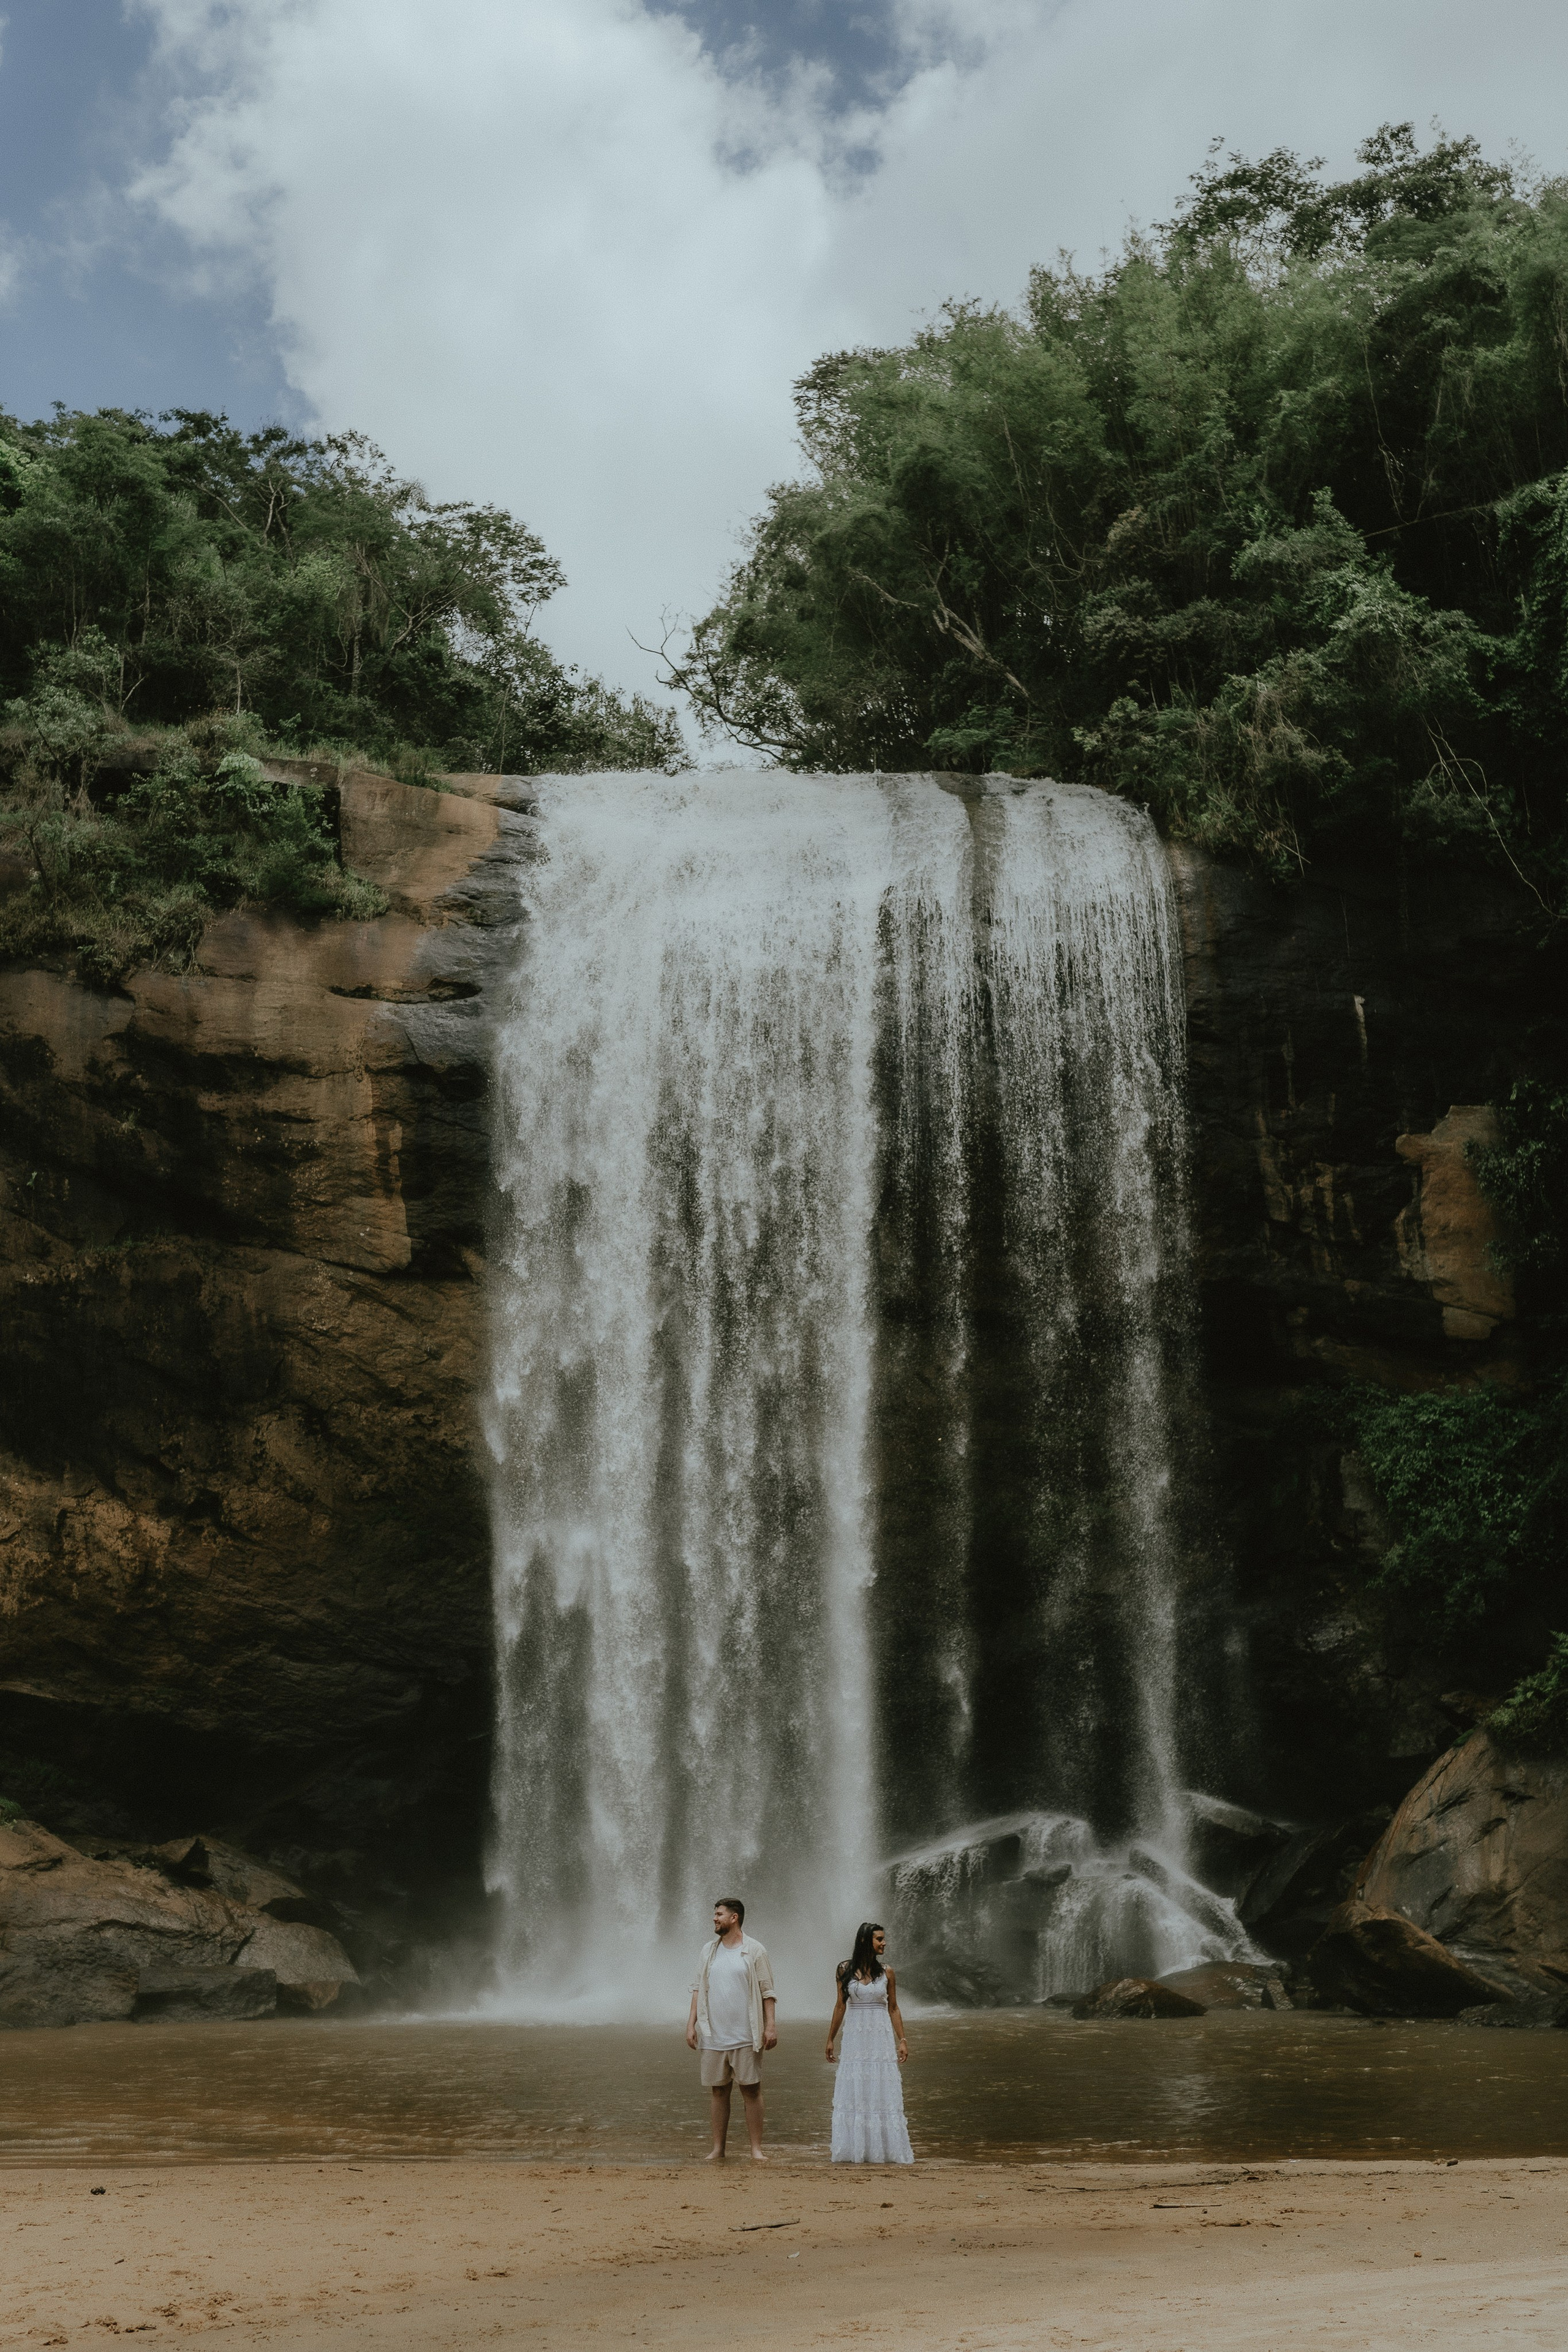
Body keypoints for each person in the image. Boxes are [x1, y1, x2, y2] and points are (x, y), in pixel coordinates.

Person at [685, 1896, 778, 2162]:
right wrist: (691, 2024)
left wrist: (770, 2026)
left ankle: (756, 2150)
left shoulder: (755, 1950)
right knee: (718, 2091)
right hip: (713, 2034)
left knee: (751, 2090)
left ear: (734, 1918)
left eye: (719, 1914)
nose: (714, 1918)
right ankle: (718, 2149)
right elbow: (698, 1989)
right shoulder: (708, 1951)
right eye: (715, 1914)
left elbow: (767, 1991)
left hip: (746, 2033)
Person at [825, 1920, 913, 2164]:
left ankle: (883, 2151)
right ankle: (854, 2150)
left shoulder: (887, 1972)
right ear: (865, 1941)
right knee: (856, 2086)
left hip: (879, 2035)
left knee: (880, 2086)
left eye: (883, 1939)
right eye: (879, 1939)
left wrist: (902, 2040)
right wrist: (830, 2038)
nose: (884, 1943)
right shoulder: (844, 1969)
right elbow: (840, 2005)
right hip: (855, 2035)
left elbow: (893, 2008)